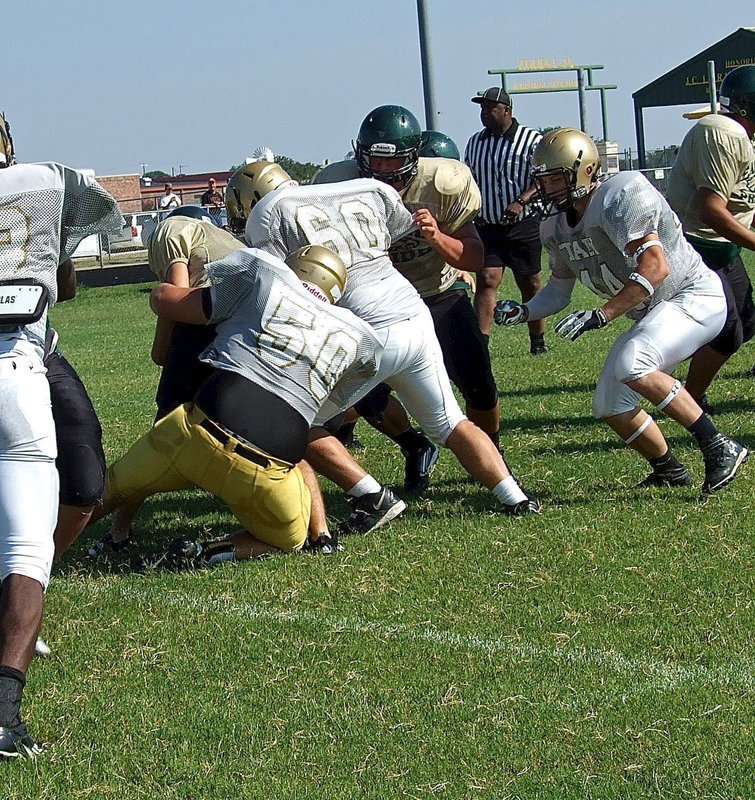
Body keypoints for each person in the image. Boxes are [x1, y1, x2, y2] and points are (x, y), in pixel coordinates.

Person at [238, 161, 539, 519]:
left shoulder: (268, 213)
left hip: (364, 331)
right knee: (450, 421)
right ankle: (517, 499)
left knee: (296, 424)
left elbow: (278, 285)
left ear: (251, 197)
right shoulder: (369, 187)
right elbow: (399, 238)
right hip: (411, 311)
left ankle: (372, 496)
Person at [90, 246, 383, 565]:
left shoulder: (265, 278)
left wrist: (173, 273)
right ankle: (206, 553)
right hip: (266, 471)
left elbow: (165, 302)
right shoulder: (359, 337)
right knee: (289, 538)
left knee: (108, 490)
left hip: (194, 436)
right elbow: (333, 414)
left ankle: (40, 546)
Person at [495, 128, 748, 494]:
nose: (548, 190)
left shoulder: (621, 195)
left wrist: (603, 314)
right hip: (658, 309)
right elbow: (558, 291)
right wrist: (523, 311)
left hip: (692, 296)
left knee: (634, 364)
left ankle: (718, 444)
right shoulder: (554, 225)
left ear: (584, 172)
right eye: (543, 181)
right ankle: (669, 470)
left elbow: (655, 267)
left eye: (555, 179)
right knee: (610, 404)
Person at [0, 112, 123, 757]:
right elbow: (69, 283)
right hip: (17, 369)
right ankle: (4, 711)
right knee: (25, 546)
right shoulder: (41, 183)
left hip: (33, 358)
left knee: (78, 487)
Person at [314, 105, 502, 458]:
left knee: (478, 382)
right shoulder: (336, 184)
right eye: (375, 160)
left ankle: (492, 452)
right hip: (371, 303)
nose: (382, 170)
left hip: (436, 293)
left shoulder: (443, 183)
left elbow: (474, 258)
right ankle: (414, 447)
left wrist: (437, 238)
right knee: (362, 391)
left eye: (392, 161)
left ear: (414, 156)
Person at [89, 204, 246, 556]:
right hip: (249, 332)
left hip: (204, 330)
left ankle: (118, 532)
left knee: (160, 440)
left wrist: (161, 350)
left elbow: (177, 295)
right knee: (258, 433)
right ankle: (316, 527)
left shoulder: (170, 230)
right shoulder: (229, 241)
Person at [666, 65, 755, 408]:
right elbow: (711, 210)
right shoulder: (722, 132)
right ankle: (689, 399)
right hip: (695, 244)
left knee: (746, 319)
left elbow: (742, 199)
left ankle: (682, 384)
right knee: (727, 329)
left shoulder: (744, 137)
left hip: (720, 246)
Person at [464, 88, 546, 354]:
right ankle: (481, 345)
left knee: (529, 282)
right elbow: (471, 179)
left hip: (523, 224)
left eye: (490, 108)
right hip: (488, 225)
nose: (484, 113)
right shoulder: (475, 142)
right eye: (482, 108)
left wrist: (521, 201)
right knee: (487, 279)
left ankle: (537, 340)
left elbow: (543, 178)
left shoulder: (532, 140)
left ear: (507, 110)